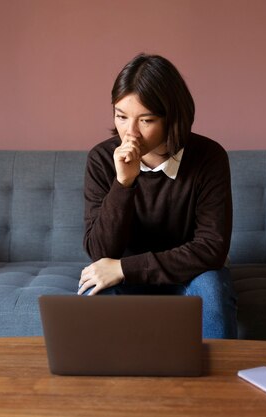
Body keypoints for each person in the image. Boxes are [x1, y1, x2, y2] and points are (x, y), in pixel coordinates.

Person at [78, 53, 236, 339]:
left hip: (190, 272)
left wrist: (127, 267)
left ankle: (221, 381)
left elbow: (212, 248)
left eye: (146, 120)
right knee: (95, 289)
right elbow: (100, 252)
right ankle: (105, 381)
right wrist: (123, 184)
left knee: (211, 289)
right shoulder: (101, 159)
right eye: (121, 116)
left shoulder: (209, 158)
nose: (130, 133)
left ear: (171, 117)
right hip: (120, 272)